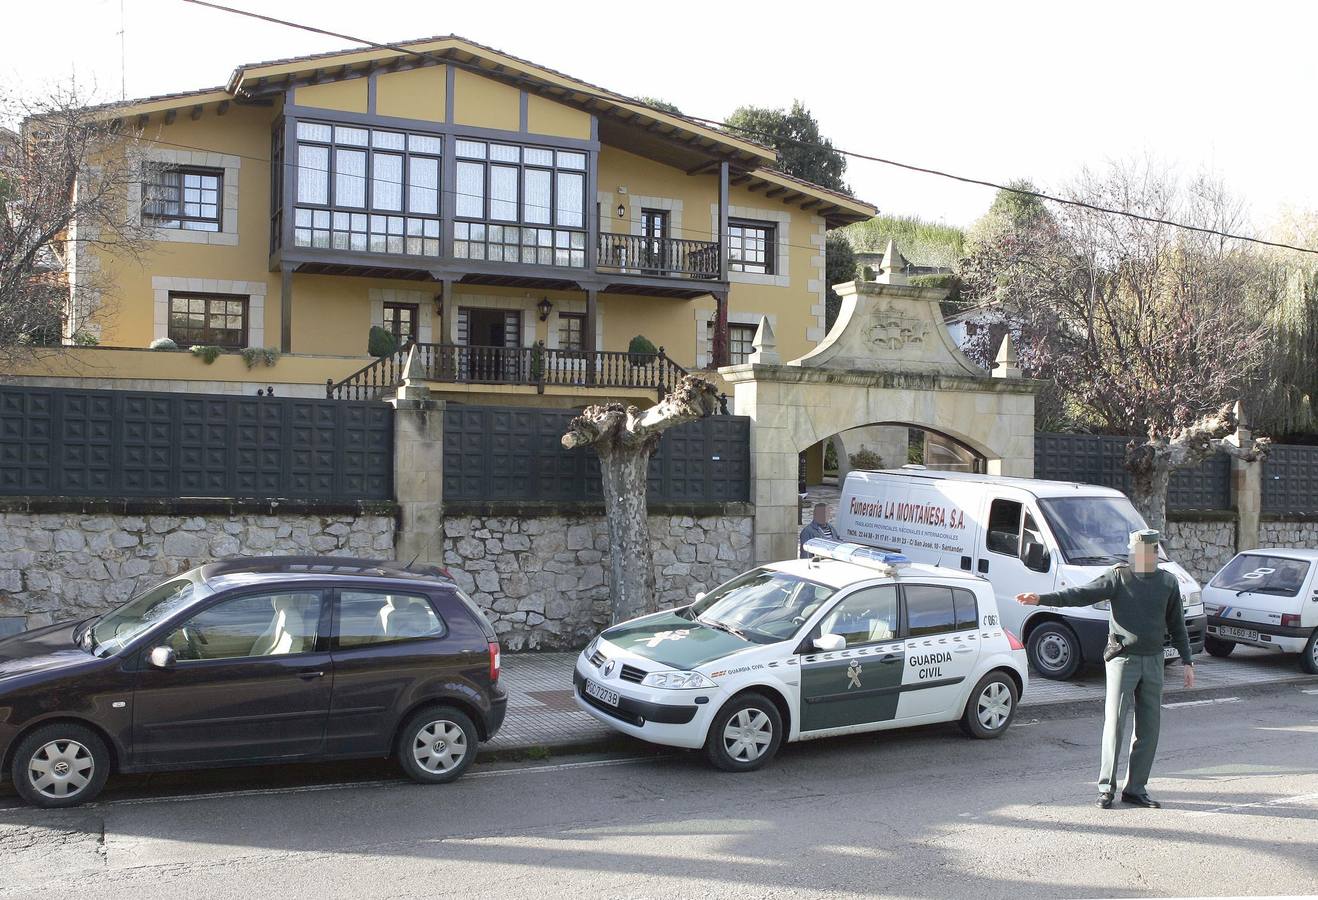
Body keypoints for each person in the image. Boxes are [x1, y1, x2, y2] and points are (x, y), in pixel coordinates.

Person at [1016, 528, 1194, 810]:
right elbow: (1080, 594)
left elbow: (1177, 625)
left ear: (1154, 553)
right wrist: (1041, 599)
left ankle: (1136, 789)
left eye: (1147, 552)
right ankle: (1105, 789)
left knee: (1149, 729)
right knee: (1115, 725)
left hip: (1153, 661)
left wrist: (1187, 661)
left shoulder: (1167, 582)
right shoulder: (1119, 576)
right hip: (1123, 660)